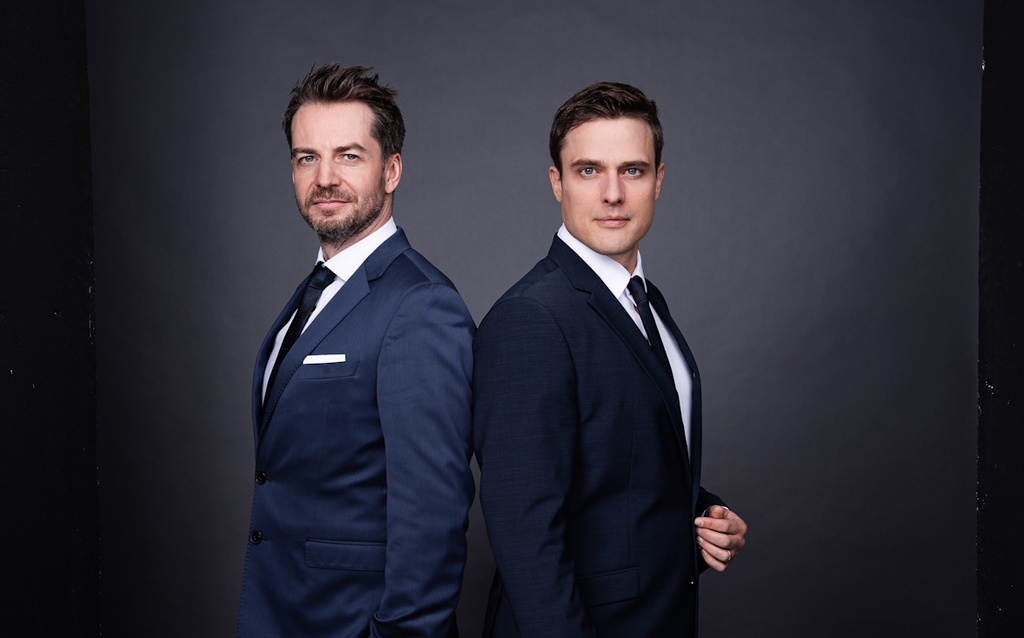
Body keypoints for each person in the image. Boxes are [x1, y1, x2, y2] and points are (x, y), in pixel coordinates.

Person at [473, 82, 748, 637]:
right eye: (589, 170)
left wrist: (703, 515)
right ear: (557, 182)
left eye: (633, 171)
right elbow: (526, 534)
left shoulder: (645, 301)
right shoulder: (530, 318)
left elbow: (620, 473)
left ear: (659, 180)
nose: (613, 194)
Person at [238, 63, 475, 637]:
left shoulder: (421, 305)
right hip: (286, 614)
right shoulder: (313, 295)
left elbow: (432, 518)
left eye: (348, 156)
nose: (324, 178)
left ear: (391, 170)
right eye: (306, 158)